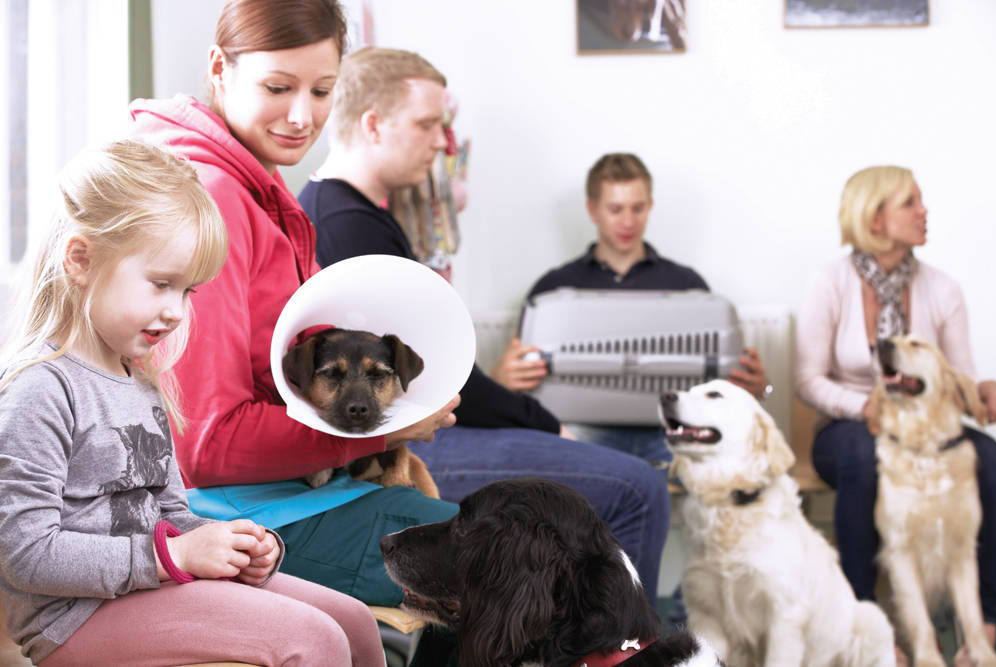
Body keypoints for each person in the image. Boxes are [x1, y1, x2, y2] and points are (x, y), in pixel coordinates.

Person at [299, 47, 670, 606]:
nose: (443, 142)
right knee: (639, 488)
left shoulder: (351, 215)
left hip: (429, 426)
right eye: (428, 124)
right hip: (417, 440)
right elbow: (449, 386)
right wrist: (546, 423)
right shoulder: (350, 227)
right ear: (373, 125)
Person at [0, 140, 385, 666]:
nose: (177, 311)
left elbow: (170, 515)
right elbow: (24, 555)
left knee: (353, 623)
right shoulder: (40, 389)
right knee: (314, 641)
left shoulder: (141, 384)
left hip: (145, 584)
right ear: (81, 260)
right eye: (162, 284)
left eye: (188, 292)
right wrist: (173, 556)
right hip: (73, 617)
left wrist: (229, 543)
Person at [128, 0, 459, 610]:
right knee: (524, 568)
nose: (301, 116)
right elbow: (205, 446)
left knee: (516, 548)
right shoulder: (218, 198)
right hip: (225, 517)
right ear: (218, 70)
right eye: (278, 87)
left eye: (323, 89)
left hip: (279, 491)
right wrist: (379, 431)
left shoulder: (263, 183)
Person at [795, 164, 996, 656]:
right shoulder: (830, 282)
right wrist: (864, 404)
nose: (924, 211)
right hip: (847, 425)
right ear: (875, 216)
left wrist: (983, 391)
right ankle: (863, 627)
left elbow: (957, 377)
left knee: (991, 460)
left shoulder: (943, 289)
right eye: (911, 202)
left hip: (925, 427)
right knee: (863, 459)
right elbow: (807, 380)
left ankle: (988, 628)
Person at [493, 152, 770, 467]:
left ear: (650, 206)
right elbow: (519, 379)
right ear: (592, 209)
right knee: (551, 459)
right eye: (615, 209)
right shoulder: (553, 289)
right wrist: (500, 378)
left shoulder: (687, 285)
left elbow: (718, 390)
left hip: (672, 432)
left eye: (638, 208)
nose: (628, 221)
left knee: (730, 460)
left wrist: (757, 388)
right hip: (583, 431)